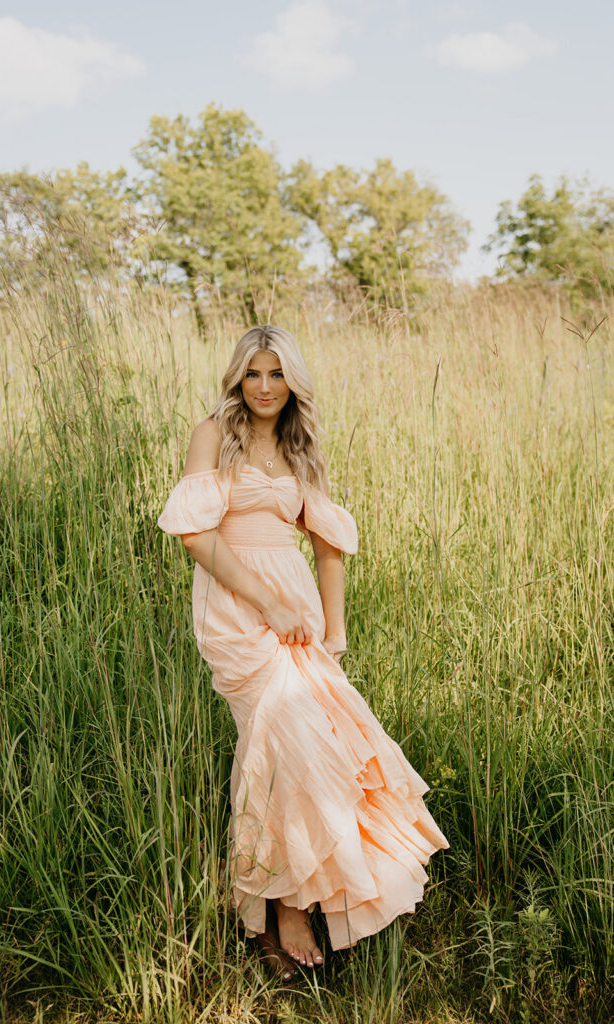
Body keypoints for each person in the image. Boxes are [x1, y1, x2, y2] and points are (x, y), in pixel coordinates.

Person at [157, 325, 448, 982]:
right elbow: (196, 536)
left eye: (275, 374)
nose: (263, 387)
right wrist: (268, 600)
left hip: (297, 618)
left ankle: (280, 903)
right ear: (237, 377)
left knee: (302, 754)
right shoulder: (213, 432)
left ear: (292, 380)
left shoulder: (299, 445)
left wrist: (333, 631)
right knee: (279, 742)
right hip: (236, 608)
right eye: (253, 374)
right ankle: (282, 912)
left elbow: (328, 546)